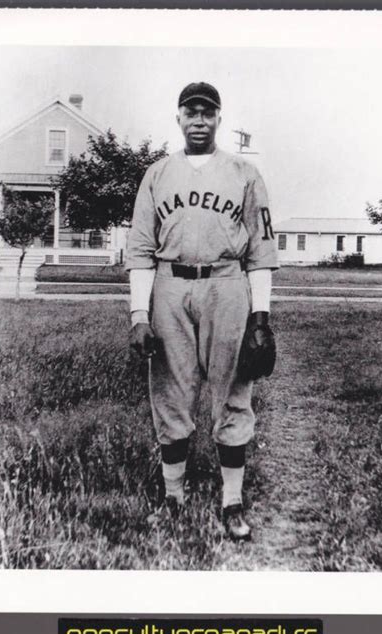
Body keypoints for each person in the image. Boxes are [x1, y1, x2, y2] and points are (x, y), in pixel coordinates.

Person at [126, 82, 278, 541]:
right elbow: (139, 251)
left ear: (218, 119)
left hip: (227, 284)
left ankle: (231, 501)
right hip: (170, 286)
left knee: (234, 388)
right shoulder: (156, 174)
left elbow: (263, 251)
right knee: (170, 391)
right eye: (190, 112)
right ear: (178, 117)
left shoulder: (244, 173)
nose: (199, 120)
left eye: (207, 113)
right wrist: (138, 313)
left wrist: (262, 318)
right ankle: (174, 496)